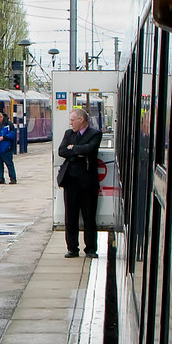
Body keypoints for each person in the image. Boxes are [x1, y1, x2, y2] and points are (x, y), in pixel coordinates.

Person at [57, 108, 103, 258]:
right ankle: (72, 248)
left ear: (81, 120)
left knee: (89, 216)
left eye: (72, 120)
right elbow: (62, 151)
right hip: (70, 181)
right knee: (71, 217)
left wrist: (73, 148)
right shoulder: (68, 134)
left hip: (87, 182)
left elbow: (90, 149)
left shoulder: (95, 134)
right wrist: (77, 152)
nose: (70, 123)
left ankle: (90, 248)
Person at [0, 112, 17, 184]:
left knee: (9, 164)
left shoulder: (9, 124)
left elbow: (12, 134)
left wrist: (3, 137)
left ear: (1, 117)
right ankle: (0, 178)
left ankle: (13, 178)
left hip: (6, 148)